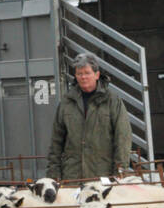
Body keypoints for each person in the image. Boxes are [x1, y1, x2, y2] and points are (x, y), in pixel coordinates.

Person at [45, 53, 132, 181]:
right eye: (79, 73)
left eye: (87, 73)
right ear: (75, 75)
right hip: (73, 176)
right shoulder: (67, 102)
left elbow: (122, 138)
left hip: (103, 176)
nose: (83, 77)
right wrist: (53, 173)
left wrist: (120, 171)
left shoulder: (112, 101)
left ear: (96, 75)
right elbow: (56, 141)